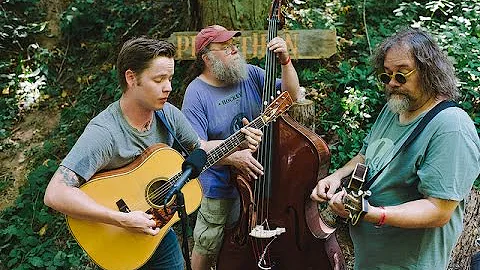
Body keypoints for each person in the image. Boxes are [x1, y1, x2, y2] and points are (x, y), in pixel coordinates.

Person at [43, 37, 262, 269]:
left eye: (170, 78)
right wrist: (123, 219)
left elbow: (199, 148)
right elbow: (56, 193)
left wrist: (237, 142)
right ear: (131, 78)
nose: (168, 87)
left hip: (157, 227)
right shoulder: (104, 133)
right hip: (116, 235)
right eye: (159, 79)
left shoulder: (168, 114)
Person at [310, 27, 480, 269]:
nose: (391, 83)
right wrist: (336, 177)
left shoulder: (451, 126)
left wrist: (369, 212)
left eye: (401, 75)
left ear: (428, 73)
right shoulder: (395, 108)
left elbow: (439, 210)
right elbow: (366, 155)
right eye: (386, 75)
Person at [181, 25, 301, 270]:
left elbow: (291, 96)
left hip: (264, 176)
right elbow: (196, 148)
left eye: (233, 45)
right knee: (207, 242)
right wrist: (234, 155)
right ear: (207, 58)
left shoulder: (250, 74)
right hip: (220, 186)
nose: (233, 49)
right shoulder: (196, 93)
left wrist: (285, 61)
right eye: (224, 47)